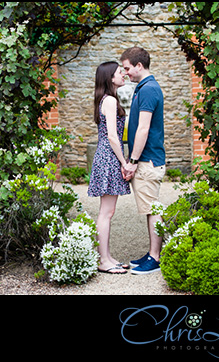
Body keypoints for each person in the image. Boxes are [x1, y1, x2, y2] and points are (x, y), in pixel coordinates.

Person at [119, 47, 166, 275]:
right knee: (150, 208)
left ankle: (155, 258)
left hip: (147, 160)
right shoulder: (143, 88)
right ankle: (151, 254)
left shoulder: (148, 90)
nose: (125, 72)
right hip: (145, 159)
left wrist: (133, 160)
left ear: (139, 66)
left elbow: (143, 129)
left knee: (153, 209)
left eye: (127, 68)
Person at [89, 61, 132, 275]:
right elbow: (113, 137)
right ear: (109, 78)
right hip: (109, 157)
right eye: (118, 72)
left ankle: (107, 256)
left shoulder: (106, 100)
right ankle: (103, 260)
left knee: (108, 211)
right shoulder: (110, 101)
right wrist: (124, 163)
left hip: (106, 156)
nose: (123, 74)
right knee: (106, 212)